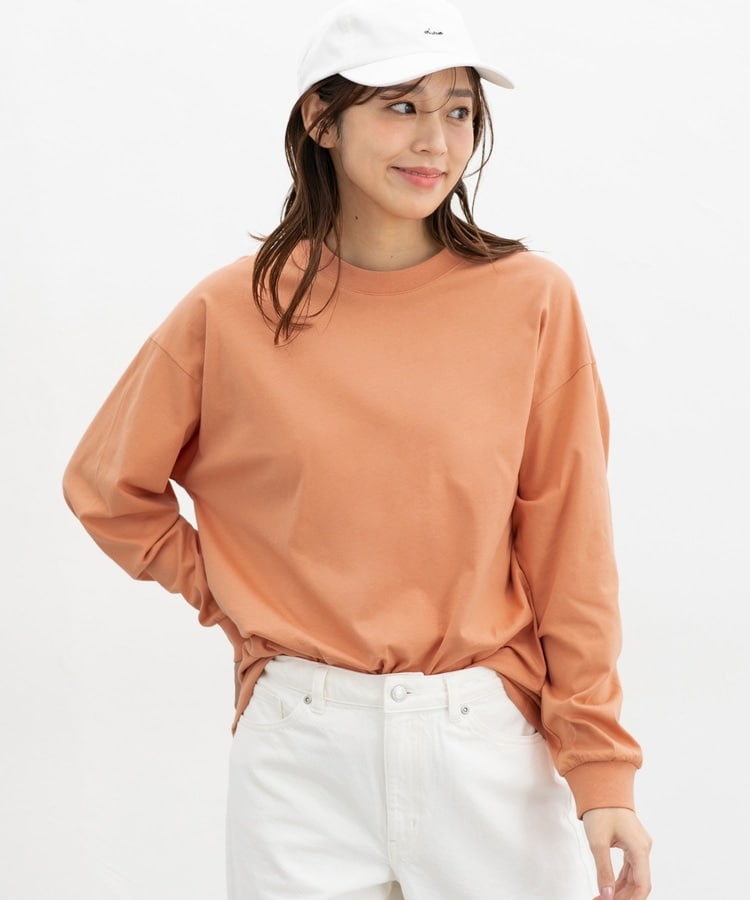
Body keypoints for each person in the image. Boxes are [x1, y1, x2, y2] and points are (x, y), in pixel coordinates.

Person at [62, 0, 653, 897]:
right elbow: (106, 487)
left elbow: (572, 549)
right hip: (299, 750)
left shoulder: (531, 300)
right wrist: (232, 593)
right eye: (400, 105)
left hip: (487, 743)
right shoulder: (231, 310)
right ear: (321, 119)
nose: (435, 142)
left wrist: (601, 768)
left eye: (459, 110)